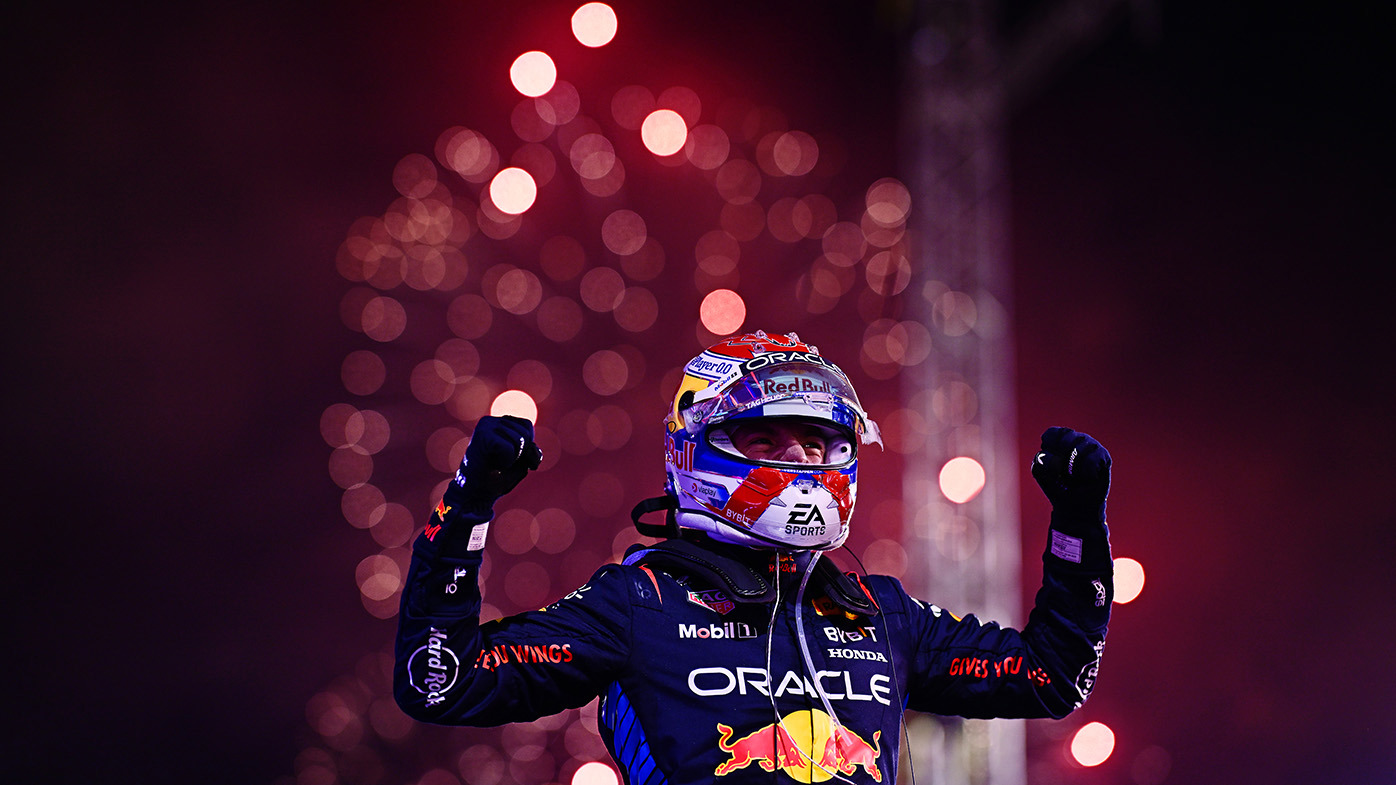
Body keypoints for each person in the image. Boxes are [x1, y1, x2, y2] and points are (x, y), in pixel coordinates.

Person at [394, 330, 1112, 784]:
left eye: (819, 442)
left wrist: (1078, 526)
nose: (801, 459)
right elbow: (439, 682)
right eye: (769, 441)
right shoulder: (638, 602)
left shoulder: (880, 611)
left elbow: (1052, 675)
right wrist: (468, 507)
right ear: (695, 450)